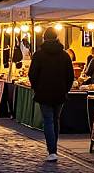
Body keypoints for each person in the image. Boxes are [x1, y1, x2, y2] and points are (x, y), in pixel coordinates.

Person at [29, 27, 74, 163]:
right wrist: (65, 89)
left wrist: (37, 88)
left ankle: (52, 151)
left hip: (44, 93)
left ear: (44, 37)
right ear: (56, 37)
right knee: (56, 120)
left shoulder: (38, 55)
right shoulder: (65, 55)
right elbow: (70, 76)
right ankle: (54, 149)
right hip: (60, 93)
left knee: (48, 120)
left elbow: (32, 75)